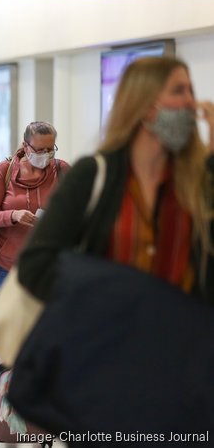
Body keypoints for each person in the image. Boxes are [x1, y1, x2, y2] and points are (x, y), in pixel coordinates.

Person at [19, 57, 214, 307]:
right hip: (106, 336)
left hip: (178, 338)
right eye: (178, 91)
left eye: (191, 90)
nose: (191, 102)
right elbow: (36, 265)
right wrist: (104, 297)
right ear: (143, 104)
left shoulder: (192, 181)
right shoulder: (93, 175)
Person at [0, 122, 70, 289]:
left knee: (47, 315)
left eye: (50, 149)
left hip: (50, 263)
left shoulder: (61, 169)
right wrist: (13, 215)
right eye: (40, 150)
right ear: (26, 146)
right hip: (10, 266)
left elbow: (78, 209)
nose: (46, 154)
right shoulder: (4, 169)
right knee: (16, 316)